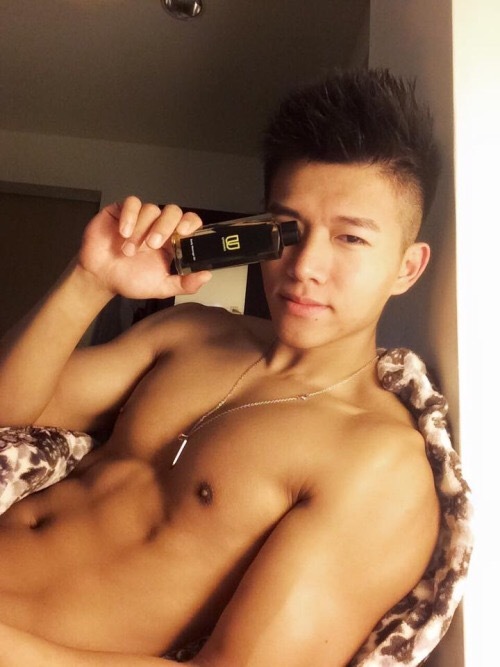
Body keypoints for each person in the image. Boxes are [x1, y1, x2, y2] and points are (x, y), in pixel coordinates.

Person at [0, 69, 446, 666]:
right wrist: (91, 280)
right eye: (288, 229)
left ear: (407, 268)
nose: (305, 265)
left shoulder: (377, 464)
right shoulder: (192, 332)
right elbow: (11, 412)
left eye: (351, 239)